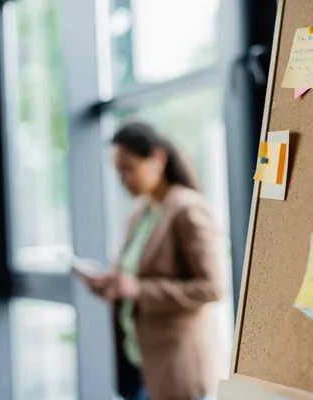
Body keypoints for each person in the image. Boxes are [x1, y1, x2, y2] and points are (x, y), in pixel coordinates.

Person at [77, 121, 222, 400]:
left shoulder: (187, 209)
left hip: (176, 366)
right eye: (118, 171)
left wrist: (139, 290)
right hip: (139, 362)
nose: (122, 180)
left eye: (128, 168)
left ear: (157, 160)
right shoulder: (142, 211)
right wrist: (110, 283)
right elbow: (133, 277)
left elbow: (211, 288)